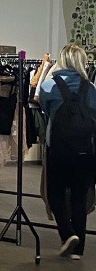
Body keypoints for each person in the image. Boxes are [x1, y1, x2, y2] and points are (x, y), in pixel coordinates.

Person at [39, 43, 96, 259]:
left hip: (58, 149)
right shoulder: (90, 88)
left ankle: (67, 234)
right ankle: (78, 251)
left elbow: (44, 108)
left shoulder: (48, 85)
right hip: (85, 151)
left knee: (55, 194)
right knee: (80, 198)